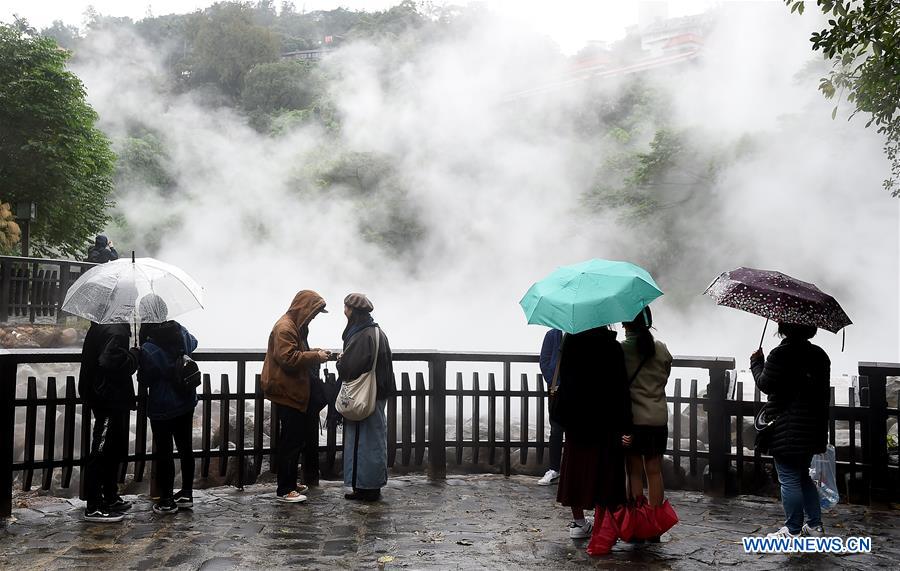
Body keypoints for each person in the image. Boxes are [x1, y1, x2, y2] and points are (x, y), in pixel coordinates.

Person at [751, 322, 831, 539]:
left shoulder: (780, 354)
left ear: (784, 327)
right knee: (803, 475)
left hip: (786, 426)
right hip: (812, 426)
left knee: (788, 477)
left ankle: (792, 529)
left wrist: (756, 363)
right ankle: (815, 526)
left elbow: (765, 384)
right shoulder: (820, 355)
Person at [552, 325, 630, 545]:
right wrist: (626, 423)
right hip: (607, 420)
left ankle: (578, 523)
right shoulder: (612, 347)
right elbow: (620, 388)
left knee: (576, 468)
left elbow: (565, 380)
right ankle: (602, 525)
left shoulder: (571, 343)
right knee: (604, 471)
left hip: (576, 419)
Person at [261, 290, 330, 503]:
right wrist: (315, 357)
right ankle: (284, 489)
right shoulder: (285, 328)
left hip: (293, 391)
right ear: (304, 308)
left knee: (294, 440)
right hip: (287, 392)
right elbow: (288, 358)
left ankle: (291, 483)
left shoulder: (295, 327)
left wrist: (317, 352)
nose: (315, 316)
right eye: (315, 312)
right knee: (290, 443)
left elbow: (297, 351)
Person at [137, 294, 199, 515]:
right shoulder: (179, 330)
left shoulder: (149, 346)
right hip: (186, 399)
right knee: (185, 448)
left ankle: (166, 500)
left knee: (164, 452)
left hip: (163, 405)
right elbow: (194, 342)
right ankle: (187, 493)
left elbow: (145, 379)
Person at [78, 315, 140, 522]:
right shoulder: (116, 329)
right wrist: (134, 356)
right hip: (108, 397)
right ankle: (94, 505)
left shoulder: (103, 324)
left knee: (112, 446)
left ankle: (110, 497)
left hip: (103, 394)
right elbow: (109, 360)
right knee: (103, 448)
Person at [621, 307, 673, 540]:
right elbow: (665, 373)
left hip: (634, 420)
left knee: (634, 471)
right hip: (658, 418)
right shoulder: (661, 348)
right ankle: (655, 525)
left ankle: (636, 521)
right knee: (654, 471)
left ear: (625, 324)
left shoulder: (622, 350)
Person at [337, 293, 394, 501]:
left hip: (365, 396)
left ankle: (364, 487)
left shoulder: (362, 335)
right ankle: (371, 486)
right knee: (374, 440)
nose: (344, 311)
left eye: (346, 308)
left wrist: (340, 362)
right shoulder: (377, 332)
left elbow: (350, 368)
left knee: (362, 442)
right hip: (377, 393)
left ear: (353, 311)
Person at [538, 328, 564, 486]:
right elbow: (544, 360)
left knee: (575, 431)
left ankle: (570, 470)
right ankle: (554, 469)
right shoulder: (552, 335)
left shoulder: (583, 333)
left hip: (576, 390)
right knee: (556, 429)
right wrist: (553, 381)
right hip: (556, 388)